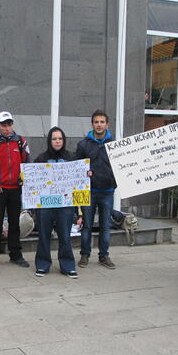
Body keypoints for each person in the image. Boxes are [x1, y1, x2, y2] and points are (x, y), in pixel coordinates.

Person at [0, 111, 30, 269]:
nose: (7, 128)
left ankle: (16, 255)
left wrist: (24, 183)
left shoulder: (21, 142)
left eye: (9, 124)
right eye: (4, 125)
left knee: (15, 224)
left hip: (16, 190)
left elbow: (27, 166)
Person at [33, 127, 77, 278]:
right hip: (46, 205)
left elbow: (78, 180)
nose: (57, 141)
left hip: (65, 205)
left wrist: (87, 173)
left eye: (60, 138)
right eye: (54, 139)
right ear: (49, 141)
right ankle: (43, 265)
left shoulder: (72, 158)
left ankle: (68, 265)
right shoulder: (41, 158)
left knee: (65, 236)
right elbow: (34, 181)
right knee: (44, 236)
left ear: (63, 140)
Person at [76, 110, 117, 269]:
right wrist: (84, 173)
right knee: (86, 225)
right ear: (92, 124)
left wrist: (113, 182)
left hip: (107, 191)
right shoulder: (83, 144)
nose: (99, 125)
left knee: (105, 225)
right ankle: (84, 255)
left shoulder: (114, 144)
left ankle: (104, 256)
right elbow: (77, 168)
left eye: (102, 122)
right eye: (96, 122)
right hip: (89, 191)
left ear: (107, 124)